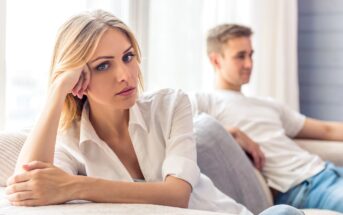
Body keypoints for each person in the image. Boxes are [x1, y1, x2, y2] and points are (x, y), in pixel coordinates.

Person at [3, 10, 302, 215]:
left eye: (128, 57)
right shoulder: (70, 141)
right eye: (103, 66)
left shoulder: (171, 105)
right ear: (78, 78)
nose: (125, 75)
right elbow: (25, 192)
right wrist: (57, 91)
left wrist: (75, 186)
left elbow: (176, 195)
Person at [191, 23, 343, 212]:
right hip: (303, 187)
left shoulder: (269, 104)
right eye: (240, 56)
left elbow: (326, 130)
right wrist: (231, 132)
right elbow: (174, 126)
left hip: (329, 171)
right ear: (216, 61)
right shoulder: (206, 101)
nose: (249, 64)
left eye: (251, 54)